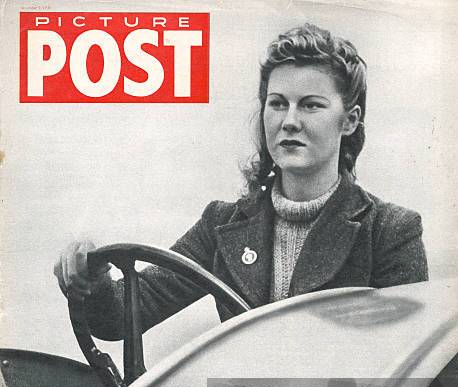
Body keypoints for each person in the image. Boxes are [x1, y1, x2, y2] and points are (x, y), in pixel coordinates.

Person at [54, 23, 428, 341]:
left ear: (349, 120)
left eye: (311, 105)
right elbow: (122, 318)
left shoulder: (389, 231)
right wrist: (93, 277)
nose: (290, 121)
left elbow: (413, 373)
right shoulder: (222, 225)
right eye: (278, 103)